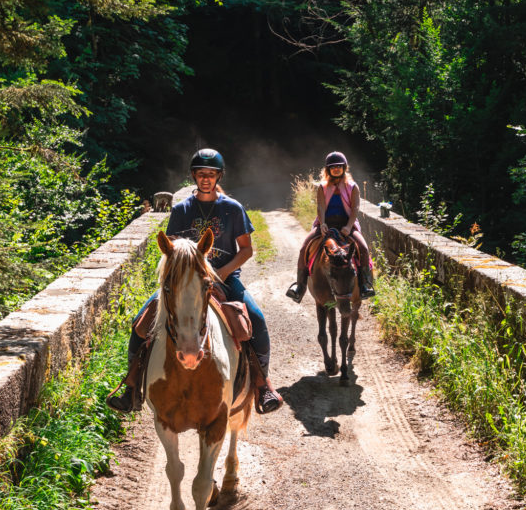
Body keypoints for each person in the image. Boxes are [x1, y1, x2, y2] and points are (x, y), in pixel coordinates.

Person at [107, 148, 283, 414]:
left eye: (211, 175)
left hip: (224, 279)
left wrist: (222, 273)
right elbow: (173, 250)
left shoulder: (232, 208)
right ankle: (131, 387)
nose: (206, 179)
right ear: (193, 176)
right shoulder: (181, 209)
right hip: (185, 281)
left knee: (256, 317)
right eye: (201, 174)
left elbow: (246, 249)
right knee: (142, 321)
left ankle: (263, 385)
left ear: (218, 177)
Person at [286, 151, 374, 303]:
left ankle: (365, 285)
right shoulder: (322, 187)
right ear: (328, 169)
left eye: (339, 166)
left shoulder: (353, 186)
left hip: (347, 224)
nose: (336, 169)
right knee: (303, 248)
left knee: (363, 248)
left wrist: (348, 226)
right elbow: (320, 207)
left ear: (344, 167)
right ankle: (300, 286)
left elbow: (355, 209)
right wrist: (323, 223)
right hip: (326, 224)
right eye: (333, 167)